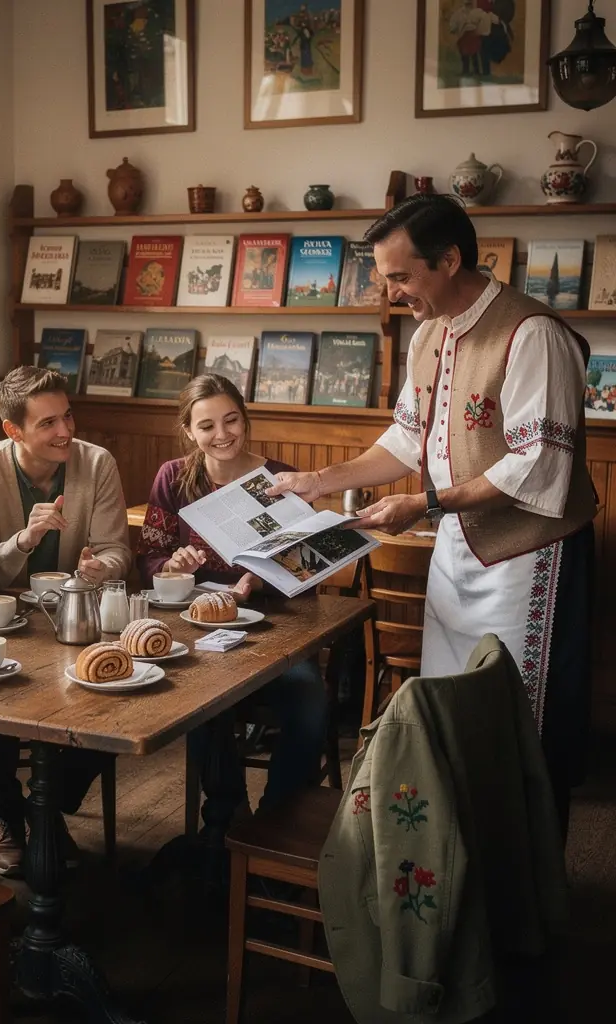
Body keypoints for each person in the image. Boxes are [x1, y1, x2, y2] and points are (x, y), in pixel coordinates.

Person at [267, 193, 596, 839]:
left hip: (532, 561)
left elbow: (538, 466)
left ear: (449, 259)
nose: (390, 291)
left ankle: (523, 908)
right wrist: (320, 479)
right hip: (456, 555)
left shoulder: (533, 335)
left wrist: (424, 503)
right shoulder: (427, 336)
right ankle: (451, 881)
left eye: (399, 276)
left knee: (518, 727)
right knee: (448, 717)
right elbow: (404, 441)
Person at [0, 366, 131, 876]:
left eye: (68, 416)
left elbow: (118, 550)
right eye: (48, 423)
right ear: (13, 430)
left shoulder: (97, 464)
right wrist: (25, 541)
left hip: (76, 620)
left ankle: (46, 810)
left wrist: (102, 568)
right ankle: (10, 816)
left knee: (114, 712)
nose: (65, 432)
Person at [137, 374, 328, 835]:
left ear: (246, 419)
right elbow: (148, 558)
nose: (221, 435)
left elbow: (307, 570)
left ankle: (275, 823)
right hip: (201, 627)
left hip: (275, 627)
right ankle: (225, 819)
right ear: (189, 431)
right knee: (204, 700)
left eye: (231, 421)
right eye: (206, 426)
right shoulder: (173, 478)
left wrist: (257, 580)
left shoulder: (280, 479)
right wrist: (172, 565)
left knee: (310, 700)